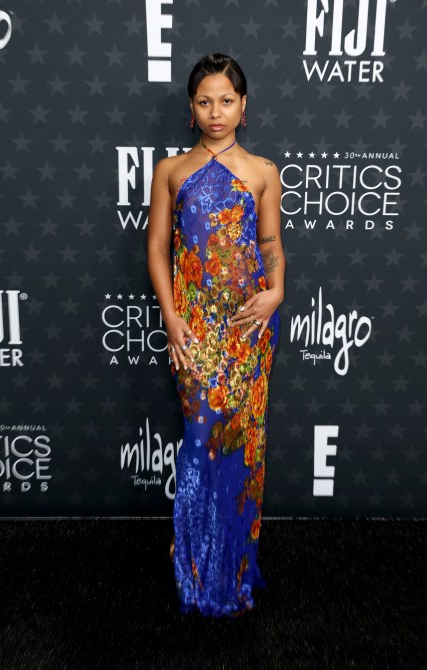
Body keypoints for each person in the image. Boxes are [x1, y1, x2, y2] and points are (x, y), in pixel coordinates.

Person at [147, 53, 285, 617]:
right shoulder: (171, 170)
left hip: (250, 326)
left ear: (243, 105)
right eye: (205, 101)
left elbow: (271, 246)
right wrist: (170, 315)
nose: (215, 112)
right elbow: (157, 248)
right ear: (191, 107)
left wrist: (277, 291)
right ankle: (195, 565)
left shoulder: (263, 172)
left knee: (242, 443)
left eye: (226, 100)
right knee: (201, 438)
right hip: (195, 328)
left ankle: (234, 567)